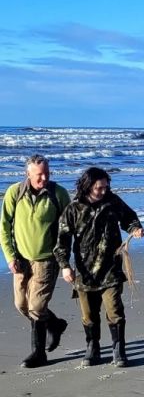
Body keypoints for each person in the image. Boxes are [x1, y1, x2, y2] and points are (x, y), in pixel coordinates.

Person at [54, 167, 144, 367]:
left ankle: (118, 349)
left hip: (111, 268)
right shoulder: (73, 209)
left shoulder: (113, 202)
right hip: (85, 273)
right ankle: (92, 347)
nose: (104, 191)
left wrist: (135, 228)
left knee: (114, 310)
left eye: (106, 186)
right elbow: (62, 241)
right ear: (88, 186)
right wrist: (65, 266)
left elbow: (129, 217)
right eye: (99, 188)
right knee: (88, 315)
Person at [1, 154, 71, 368]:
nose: (44, 178)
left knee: (37, 307)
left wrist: (64, 261)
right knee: (21, 305)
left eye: (47, 174)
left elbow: (67, 229)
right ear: (28, 174)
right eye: (39, 175)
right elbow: (4, 227)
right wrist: (10, 256)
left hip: (46, 260)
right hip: (21, 260)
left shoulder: (58, 194)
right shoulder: (15, 192)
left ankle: (38, 353)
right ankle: (55, 325)